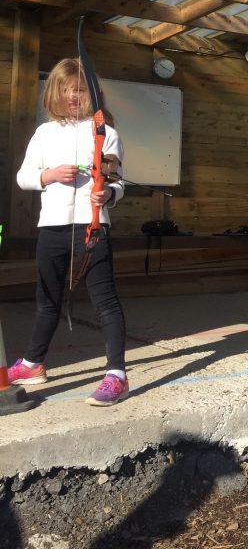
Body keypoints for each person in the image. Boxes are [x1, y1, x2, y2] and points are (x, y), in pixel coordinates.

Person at [9, 58, 129, 406]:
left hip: (92, 228)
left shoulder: (107, 133)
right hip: (53, 229)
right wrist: (48, 176)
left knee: (105, 301)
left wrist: (107, 193)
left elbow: (118, 182)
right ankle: (32, 364)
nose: (73, 96)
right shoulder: (45, 133)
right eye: (66, 90)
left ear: (92, 94)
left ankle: (117, 375)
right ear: (55, 93)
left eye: (80, 90)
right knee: (47, 300)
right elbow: (24, 177)